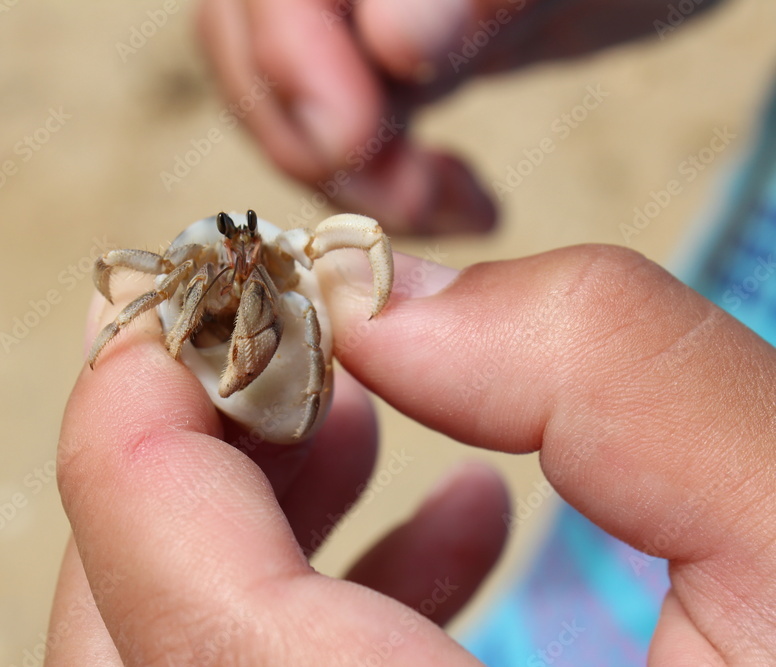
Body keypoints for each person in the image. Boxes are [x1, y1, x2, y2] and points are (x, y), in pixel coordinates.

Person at [46, 1, 775, 664]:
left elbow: (323, 275)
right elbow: (128, 270)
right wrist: (129, 317)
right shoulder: (210, 264)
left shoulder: (275, 277)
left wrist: (363, 292)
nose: (239, 253)